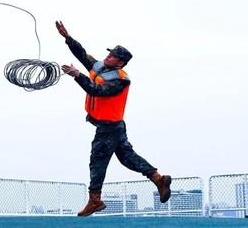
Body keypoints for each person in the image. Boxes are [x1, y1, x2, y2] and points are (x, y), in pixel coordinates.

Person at [55, 20, 172, 217]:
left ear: (120, 62)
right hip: (115, 126)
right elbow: (82, 54)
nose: (108, 56)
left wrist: (77, 75)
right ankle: (158, 179)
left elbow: (96, 90)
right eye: (109, 53)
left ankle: (95, 200)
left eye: (113, 56)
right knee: (127, 157)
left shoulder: (120, 79)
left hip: (108, 127)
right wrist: (67, 38)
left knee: (97, 160)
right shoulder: (99, 67)